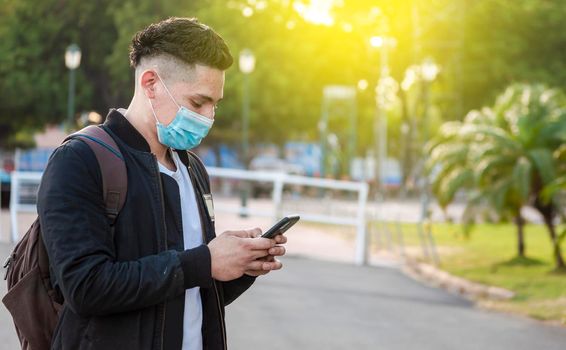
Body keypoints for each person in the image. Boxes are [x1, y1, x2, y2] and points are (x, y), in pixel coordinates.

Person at [37, 17, 287, 350]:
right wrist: (205, 261)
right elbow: (85, 287)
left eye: (215, 104)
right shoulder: (80, 160)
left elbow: (187, 293)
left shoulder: (191, 168)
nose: (209, 116)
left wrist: (240, 266)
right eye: (198, 103)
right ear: (151, 84)